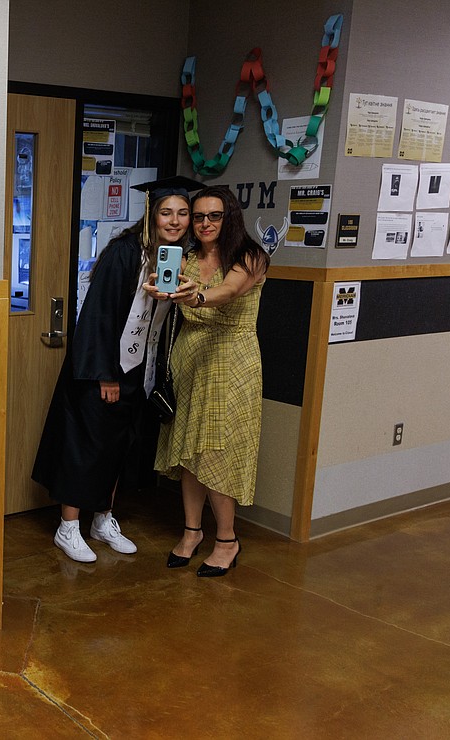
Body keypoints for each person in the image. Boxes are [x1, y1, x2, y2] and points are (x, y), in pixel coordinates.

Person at [32, 176, 201, 563]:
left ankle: (103, 520)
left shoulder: (173, 258)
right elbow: (99, 315)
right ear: (151, 214)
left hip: (138, 371)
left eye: (182, 213)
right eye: (166, 212)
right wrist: (105, 373)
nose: (174, 221)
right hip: (104, 370)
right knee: (86, 447)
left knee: (118, 447)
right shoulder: (125, 253)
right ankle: (68, 527)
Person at [144, 185, 269, 577]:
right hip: (190, 358)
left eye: (214, 215)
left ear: (230, 216)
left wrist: (196, 297)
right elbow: (167, 294)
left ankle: (227, 539)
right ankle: (192, 531)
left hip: (231, 360)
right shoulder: (187, 257)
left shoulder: (251, 256)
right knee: (188, 452)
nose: (204, 223)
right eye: (198, 217)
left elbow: (228, 291)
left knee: (216, 451)